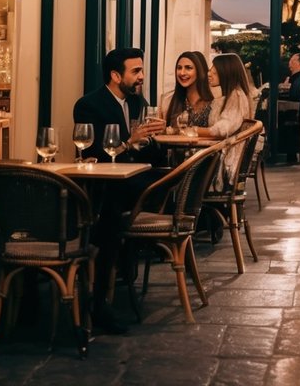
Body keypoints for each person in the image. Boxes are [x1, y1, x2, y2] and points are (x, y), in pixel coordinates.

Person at [73, 47, 166, 333]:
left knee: (166, 179)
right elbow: (93, 155)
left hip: (132, 183)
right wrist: (130, 141)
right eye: (135, 71)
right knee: (111, 218)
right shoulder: (90, 105)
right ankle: (100, 302)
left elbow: (150, 156)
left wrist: (154, 138)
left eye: (142, 70)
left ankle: (122, 262)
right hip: (100, 187)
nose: (141, 77)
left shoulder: (138, 104)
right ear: (116, 75)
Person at [206, 52, 258, 184]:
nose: (209, 74)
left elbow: (223, 129)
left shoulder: (236, 96)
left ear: (226, 73)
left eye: (214, 72)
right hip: (221, 155)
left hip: (224, 164)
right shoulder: (233, 95)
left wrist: (194, 131)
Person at [161, 50, 214, 129]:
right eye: (179, 68)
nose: (182, 73)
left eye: (188, 68)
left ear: (199, 71)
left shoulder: (215, 99)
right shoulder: (167, 101)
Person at [279, 51, 300, 162]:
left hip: (291, 114)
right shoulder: (295, 79)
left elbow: (294, 97)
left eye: (293, 61)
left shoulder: (299, 80)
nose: (289, 63)